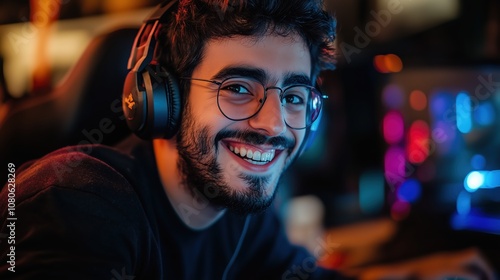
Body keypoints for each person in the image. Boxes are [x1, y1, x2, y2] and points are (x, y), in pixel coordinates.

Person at [0, 0, 496, 279]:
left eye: (296, 96)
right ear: (162, 98)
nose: (275, 125)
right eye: (238, 89)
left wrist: (421, 275)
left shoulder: (239, 216)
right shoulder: (73, 202)